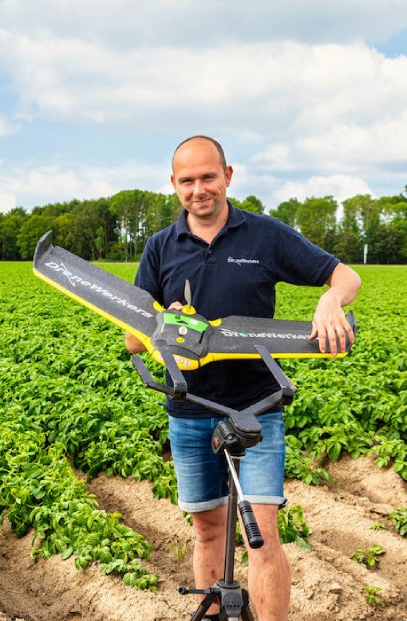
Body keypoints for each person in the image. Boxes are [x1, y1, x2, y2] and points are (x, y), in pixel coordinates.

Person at [125, 135, 361, 621]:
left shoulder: (264, 235)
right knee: (209, 529)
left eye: (208, 177)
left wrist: (330, 299)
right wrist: (163, 327)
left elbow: (345, 276)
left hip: (256, 409)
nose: (199, 189)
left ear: (227, 176)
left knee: (262, 533)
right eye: (187, 181)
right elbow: (133, 340)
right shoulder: (159, 248)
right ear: (174, 185)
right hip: (190, 411)